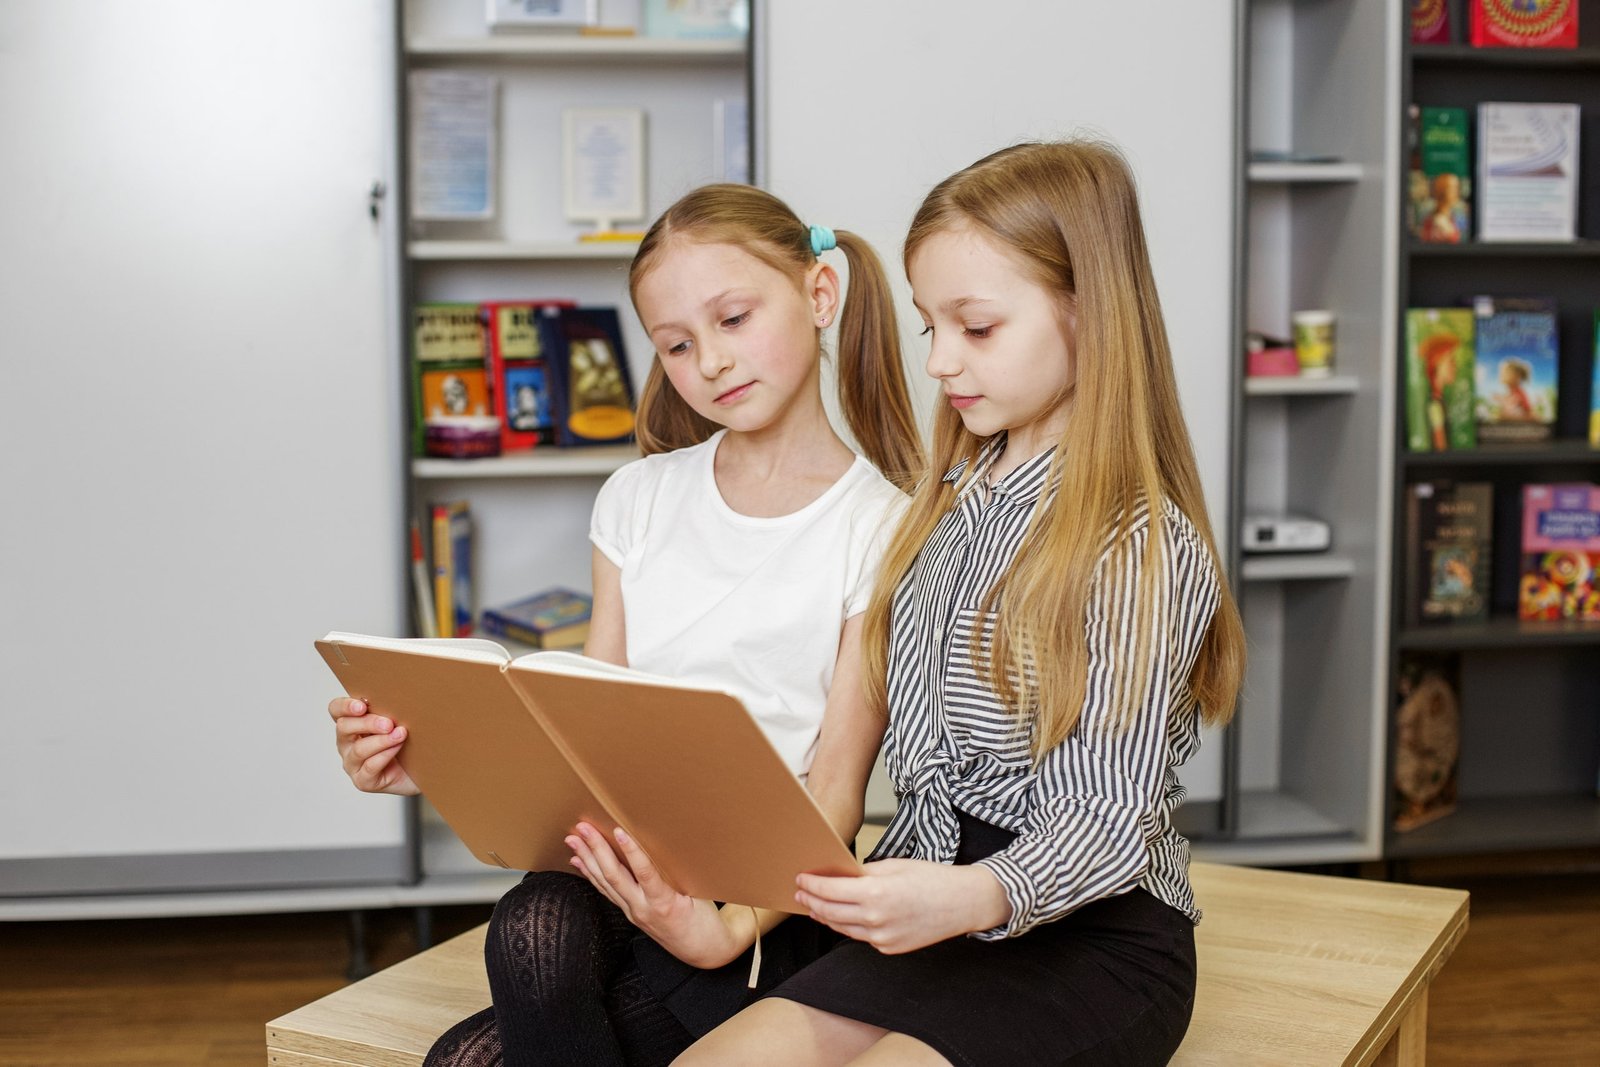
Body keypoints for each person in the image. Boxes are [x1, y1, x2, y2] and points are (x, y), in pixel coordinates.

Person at [677, 140, 1247, 1066]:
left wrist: (973, 896)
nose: (939, 360)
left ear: (1086, 313)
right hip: (931, 906)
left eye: (975, 328)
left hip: (1091, 937)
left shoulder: (1139, 546)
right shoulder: (945, 501)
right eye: (927, 325)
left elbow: (1109, 815)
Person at [328, 183, 923, 1066]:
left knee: (466, 1059)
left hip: (759, 901)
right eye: (678, 344)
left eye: (733, 318)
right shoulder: (637, 499)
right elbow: (581, 726)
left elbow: (836, 791)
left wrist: (722, 931)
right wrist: (427, 758)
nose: (711, 361)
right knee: (529, 925)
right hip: (622, 859)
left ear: (819, 294)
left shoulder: (881, 523)